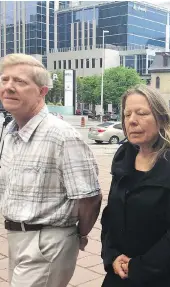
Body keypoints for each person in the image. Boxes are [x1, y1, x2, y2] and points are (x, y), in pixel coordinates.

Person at [0, 54, 102, 286]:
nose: (8, 87)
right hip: (17, 237)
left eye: (20, 81)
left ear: (42, 91)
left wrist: (79, 235)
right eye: (4, 79)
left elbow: (90, 198)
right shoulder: (10, 131)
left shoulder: (62, 136)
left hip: (46, 243)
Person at [100, 85, 170, 286]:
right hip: (121, 269)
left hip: (164, 275)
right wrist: (111, 255)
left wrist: (137, 267)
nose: (132, 120)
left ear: (161, 119)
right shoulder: (124, 157)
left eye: (142, 113)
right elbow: (111, 214)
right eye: (127, 114)